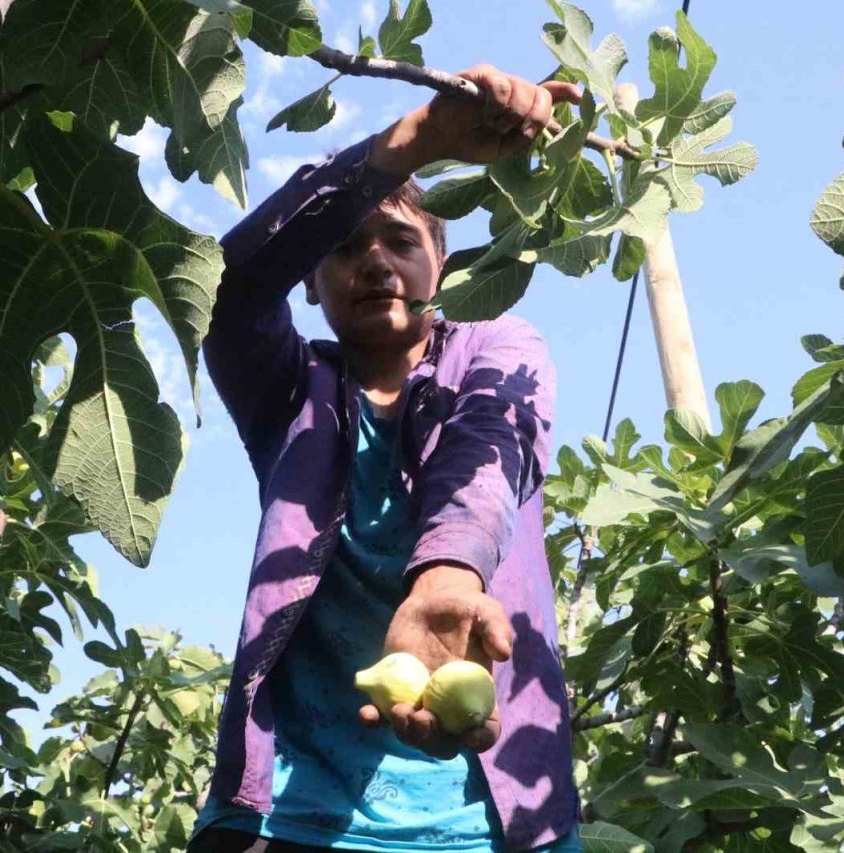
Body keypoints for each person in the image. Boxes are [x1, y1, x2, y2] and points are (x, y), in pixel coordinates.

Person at [188, 64, 582, 852]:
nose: (374, 262)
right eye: (343, 248)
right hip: (293, 815)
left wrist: (447, 574)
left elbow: (493, 445)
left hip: (495, 820)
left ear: (440, 264)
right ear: (310, 283)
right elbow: (228, 291)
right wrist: (420, 140)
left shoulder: (499, 348)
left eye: (400, 241)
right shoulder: (289, 389)